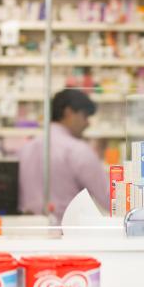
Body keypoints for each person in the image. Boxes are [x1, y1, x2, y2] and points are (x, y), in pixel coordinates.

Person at [19, 89, 109, 222]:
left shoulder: (27, 148)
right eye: (85, 116)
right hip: (67, 236)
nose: (87, 123)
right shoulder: (77, 150)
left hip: (30, 233)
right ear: (69, 113)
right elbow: (109, 198)